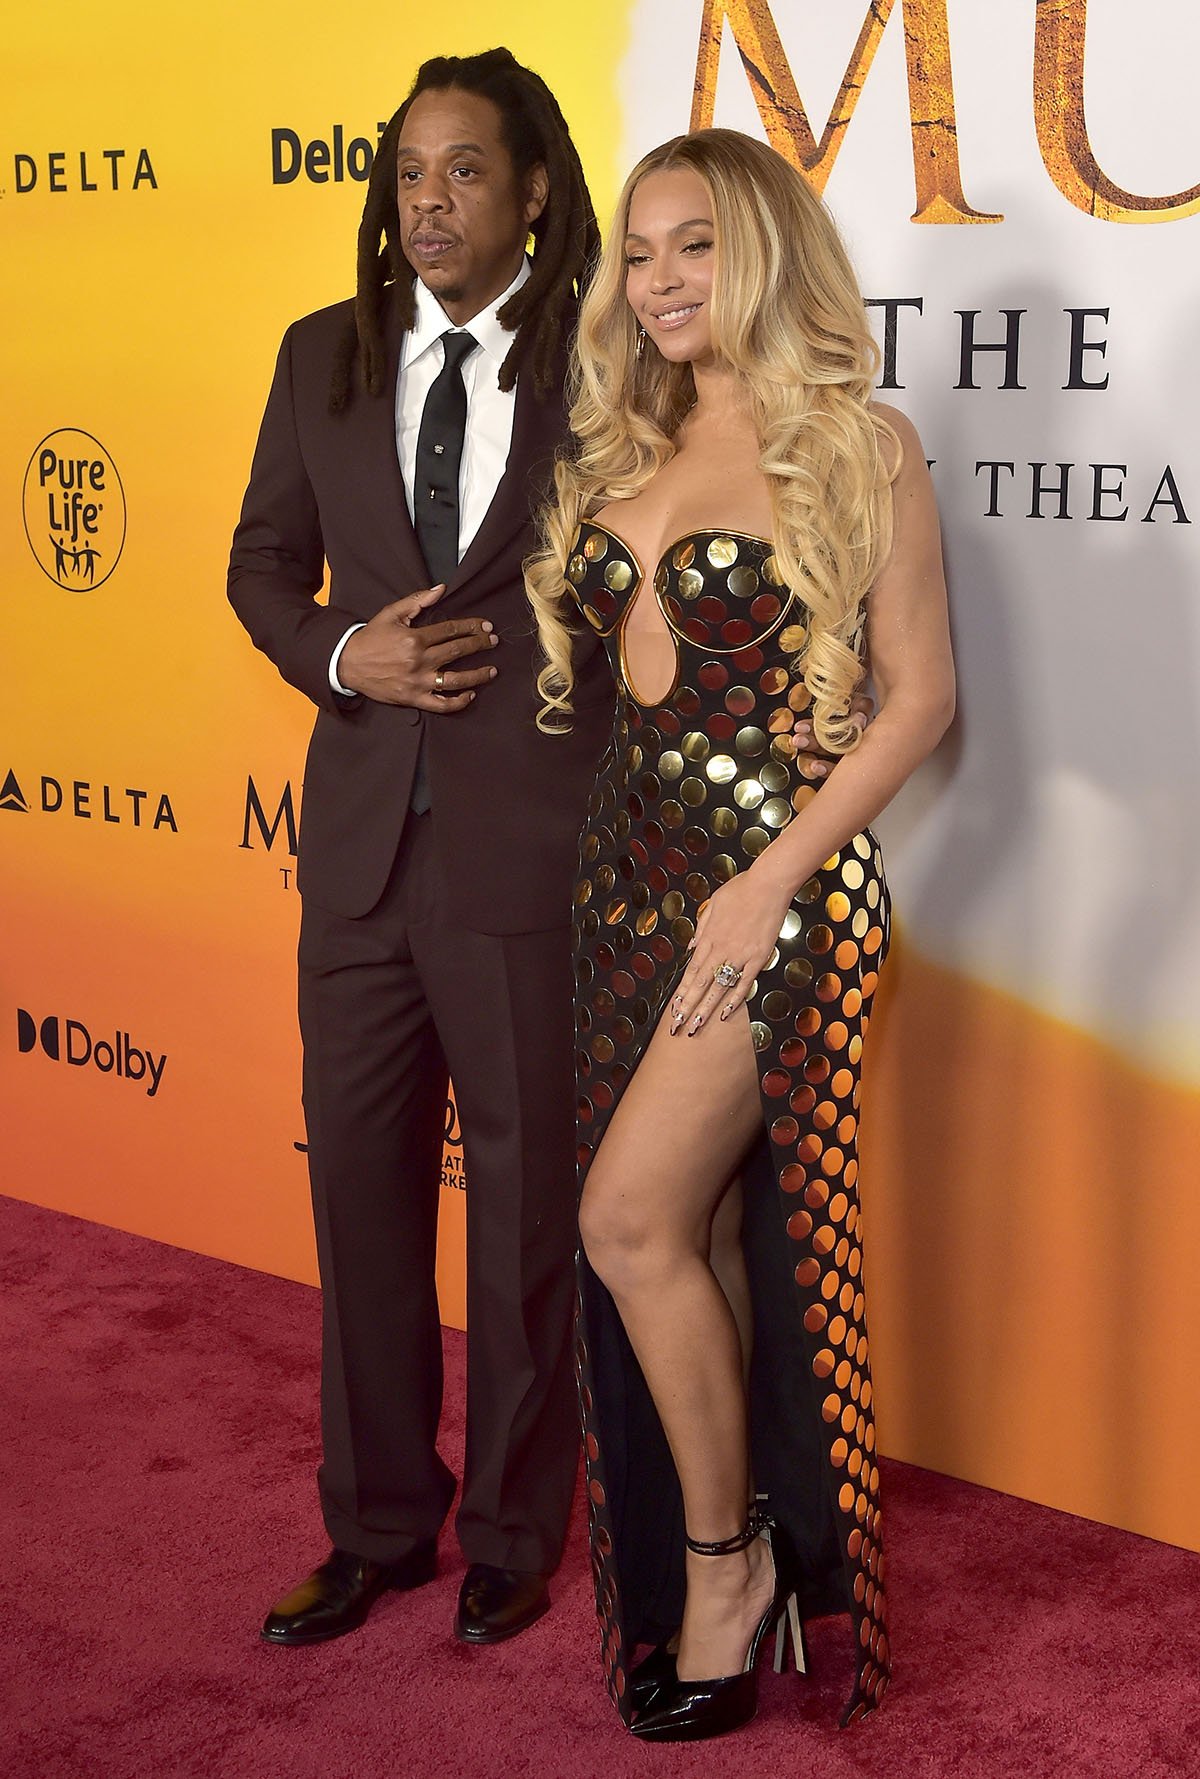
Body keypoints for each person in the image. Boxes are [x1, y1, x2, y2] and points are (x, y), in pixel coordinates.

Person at [525, 128, 954, 1740]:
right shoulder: (623, 439)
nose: (657, 284)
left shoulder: (857, 446)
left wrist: (771, 876)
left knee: (627, 1221)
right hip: (626, 901)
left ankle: (728, 1569)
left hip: (777, 906)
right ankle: (730, 1549)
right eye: (638, 256)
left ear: (763, 250)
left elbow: (920, 704)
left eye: (692, 246)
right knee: (683, 1242)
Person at [227, 48, 615, 1651]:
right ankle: (380, 1525)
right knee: (364, 1207)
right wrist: (342, 658)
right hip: (362, 862)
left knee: (526, 1211)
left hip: (527, 855)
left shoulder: (607, 365)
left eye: (466, 170)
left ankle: (518, 1533)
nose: (431, 200)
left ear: (531, 190)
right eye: (408, 174)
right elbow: (260, 566)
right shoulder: (322, 353)